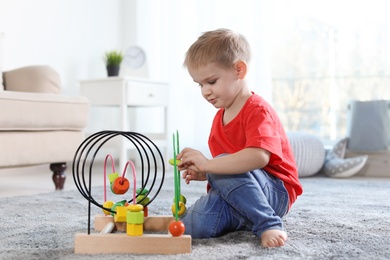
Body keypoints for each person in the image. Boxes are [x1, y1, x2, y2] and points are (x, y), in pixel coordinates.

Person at [176, 28, 303, 248]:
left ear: (239, 70)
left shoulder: (257, 110)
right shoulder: (218, 119)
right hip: (239, 195)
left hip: (274, 192)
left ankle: (267, 222)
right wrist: (206, 172)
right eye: (200, 85)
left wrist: (210, 164)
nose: (205, 91)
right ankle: (244, 216)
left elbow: (258, 157)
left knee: (224, 162)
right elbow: (228, 172)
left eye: (211, 81)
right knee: (189, 226)